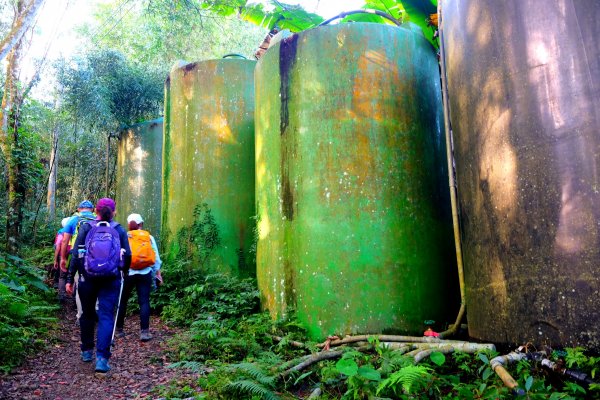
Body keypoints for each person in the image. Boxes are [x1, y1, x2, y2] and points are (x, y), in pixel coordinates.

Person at [66, 198, 131, 374]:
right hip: (111, 279)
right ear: (114, 212)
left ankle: (87, 351)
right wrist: (122, 271)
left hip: (87, 279)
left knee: (87, 313)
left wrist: (70, 278)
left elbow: (76, 254)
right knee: (106, 316)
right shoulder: (118, 229)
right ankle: (102, 359)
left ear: (96, 210)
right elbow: (128, 256)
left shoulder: (86, 228)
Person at [115, 213, 162, 342]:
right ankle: (144, 332)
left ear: (129, 224)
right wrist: (158, 273)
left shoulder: (125, 236)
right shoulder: (148, 237)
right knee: (144, 301)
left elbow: (119, 255)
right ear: (141, 224)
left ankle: (119, 329)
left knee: (123, 300)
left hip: (128, 273)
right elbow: (156, 257)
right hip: (145, 273)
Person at [59, 200, 96, 307]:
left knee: (79, 280)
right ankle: (94, 309)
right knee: (94, 281)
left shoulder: (74, 219)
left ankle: (80, 311)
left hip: (78, 255)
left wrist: (63, 258)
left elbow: (65, 240)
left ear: (79, 209)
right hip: (95, 256)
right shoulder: (96, 218)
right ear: (92, 209)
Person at [52, 217, 71, 292]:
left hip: (62, 255)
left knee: (62, 275)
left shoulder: (61, 232)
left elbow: (58, 246)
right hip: (72, 255)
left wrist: (55, 259)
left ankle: (62, 294)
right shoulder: (75, 231)